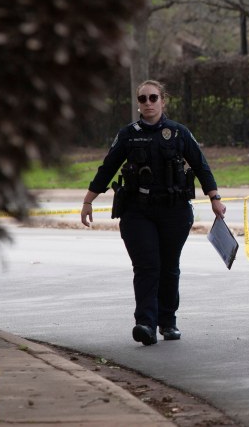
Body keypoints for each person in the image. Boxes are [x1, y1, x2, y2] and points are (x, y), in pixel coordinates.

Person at [80, 80, 226, 346]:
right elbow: (108, 167)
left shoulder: (179, 133)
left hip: (174, 211)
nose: (148, 103)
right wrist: (89, 200)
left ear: (163, 100)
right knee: (147, 266)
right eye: (143, 98)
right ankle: (145, 323)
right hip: (138, 211)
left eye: (153, 98)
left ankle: (168, 322)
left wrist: (215, 198)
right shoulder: (128, 134)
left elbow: (201, 166)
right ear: (138, 102)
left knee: (169, 268)